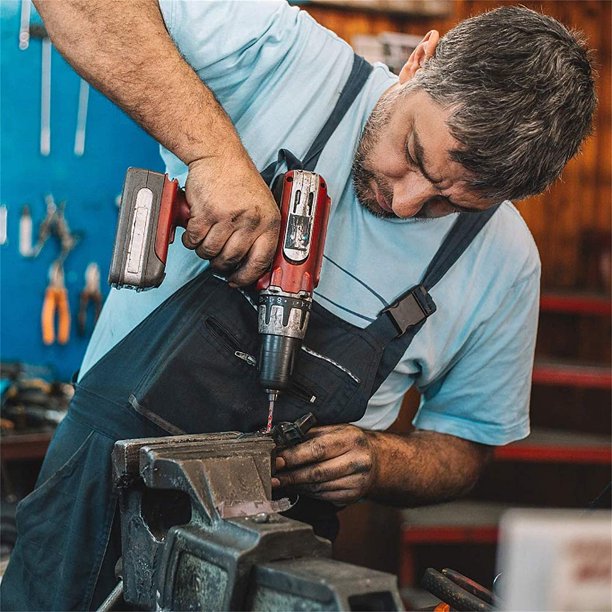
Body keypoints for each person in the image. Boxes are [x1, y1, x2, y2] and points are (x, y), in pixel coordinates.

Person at [1, 1, 596, 610]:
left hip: (276, 549)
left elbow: (466, 445)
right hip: (95, 496)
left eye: (453, 203)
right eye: (414, 153)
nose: (405, 201)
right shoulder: (283, 58)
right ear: (422, 60)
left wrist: (386, 461)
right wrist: (211, 154)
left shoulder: (505, 264)